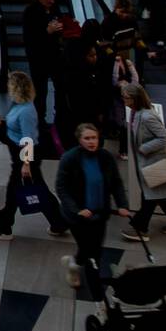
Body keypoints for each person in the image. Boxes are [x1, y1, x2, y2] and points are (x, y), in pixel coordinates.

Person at [0, 71, 69, 240]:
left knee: (13, 193)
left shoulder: (26, 111)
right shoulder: (19, 105)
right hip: (21, 157)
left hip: (24, 158)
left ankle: (3, 228)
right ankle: (58, 222)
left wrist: (26, 163)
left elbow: (28, 138)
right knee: (39, 189)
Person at [55, 123, 131, 296]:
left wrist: (122, 205)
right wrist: (77, 210)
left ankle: (73, 264)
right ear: (79, 140)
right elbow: (61, 188)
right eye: (87, 138)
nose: (91, 142)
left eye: (94, 138)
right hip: (77, 218)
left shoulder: (105, 157)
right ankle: (97, 293)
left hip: (100, 214)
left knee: (92, 249)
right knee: (92, 254)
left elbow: (116, 183)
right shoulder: (70, 158)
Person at [120, 84, 166, 239]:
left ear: (135, 98)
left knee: (150, 197)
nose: (123, 99)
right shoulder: (137, 113)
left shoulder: (147, 116)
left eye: (126, 97)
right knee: (160, 196)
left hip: (155, 164)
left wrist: (144, 148)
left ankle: (140, 229)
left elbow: (165, 137)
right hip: (152, 164)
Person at [21, 0, 66, 140]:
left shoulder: (54, 8)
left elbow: (60, 20)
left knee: (60, 86)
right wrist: (47, 31)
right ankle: (39, 121)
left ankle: (59, 116)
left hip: (54, 55)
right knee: (40, 91)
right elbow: (30, 38)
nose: (52, 1)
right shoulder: (31, 12)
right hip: (39, 58)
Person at [111, 46, 141, 159]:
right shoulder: (115, 63)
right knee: (122, 125)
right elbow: (114, 80)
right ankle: (123, 151)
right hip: (118, 99)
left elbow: (135, 80)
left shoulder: (127, 64)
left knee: (129, 125)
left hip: (128, 99)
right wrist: (116, 64)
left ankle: (128, 149)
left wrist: (130, 66)